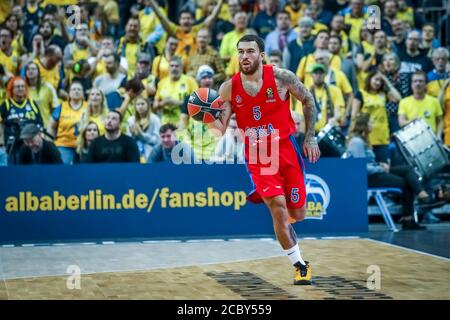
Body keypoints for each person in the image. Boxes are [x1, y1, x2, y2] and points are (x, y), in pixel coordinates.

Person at [209, 35, 320, 285]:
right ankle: (300, 265)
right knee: (279, 210)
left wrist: (310, 137)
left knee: (297, 214)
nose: (244, 57)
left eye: (250, 51)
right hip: (259, 155)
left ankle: (273, 199)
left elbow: (308, 100)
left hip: (285, 149)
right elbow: (218, 130)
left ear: (261, 55)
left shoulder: (282, 77)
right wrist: (205, 114)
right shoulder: (229, 87)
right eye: (240, 52)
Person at [346, 113, 430, 230]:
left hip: (376, 172)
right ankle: (409, 217)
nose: (372, 125)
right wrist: (380, 168)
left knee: (407, 170)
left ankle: (420, 194)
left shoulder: (362, 140)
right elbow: (361, 168)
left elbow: (368, 163)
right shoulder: (356, 142)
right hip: (368, 178)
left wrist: (379, 164)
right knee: (406, 182)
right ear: (363, 125)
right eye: (370, 122)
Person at [126, 96, 161, 163]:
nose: (140, 106)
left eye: (142, 104)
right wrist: (133, 135)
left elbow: (157, 140)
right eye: (138, 104)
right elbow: (128, 141)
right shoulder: (130, 120)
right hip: (135, 153)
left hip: (151, 153)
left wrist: (141, 135)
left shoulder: (155, 119)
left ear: (148, 105)